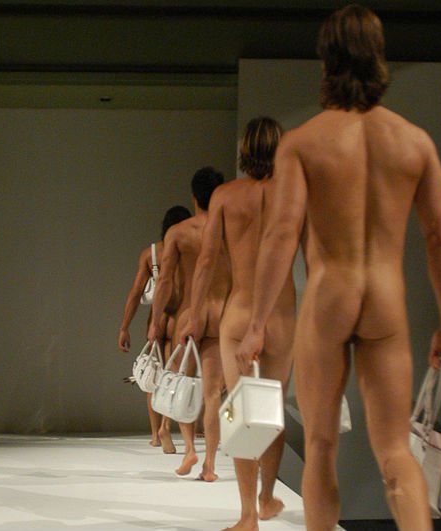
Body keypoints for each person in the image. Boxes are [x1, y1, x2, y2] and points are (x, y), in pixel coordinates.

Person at [237, 5, 441, 531]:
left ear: (327, 61)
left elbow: (281, 235)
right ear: (378, 57)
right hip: (384, 298)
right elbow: (440, 239)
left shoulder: (304, 142)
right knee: (395, 451)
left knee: (321, 446)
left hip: (329, 295)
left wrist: (256, 323)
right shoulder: (414, 142)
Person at [179, 116, 295, 530]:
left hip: (239, 313)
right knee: (271, 412)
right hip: (282, 316)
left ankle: (247, 514)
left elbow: (207, 261)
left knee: (241, 411)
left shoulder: (226, 196)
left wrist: (194, 313)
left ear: (244, 149)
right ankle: (266, 497)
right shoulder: (293, 194)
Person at [148, 166, 228, 480]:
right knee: (211, 393)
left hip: (188, 315)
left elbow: (165, 281)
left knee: (181, 381)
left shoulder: (179, 233)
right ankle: (210, 464)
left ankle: (190, 448)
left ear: (193, 196)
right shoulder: (229, 230)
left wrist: (156, 321)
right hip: (221, 313)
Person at [118, 205, 192, 452]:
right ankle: (167, 426)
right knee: (175, 375)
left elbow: (135, 292)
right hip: (181, 316)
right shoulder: (190, 250)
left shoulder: (151, 254)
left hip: (156, 318)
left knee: (153, 373)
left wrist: (124, 327)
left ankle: (155, 434)